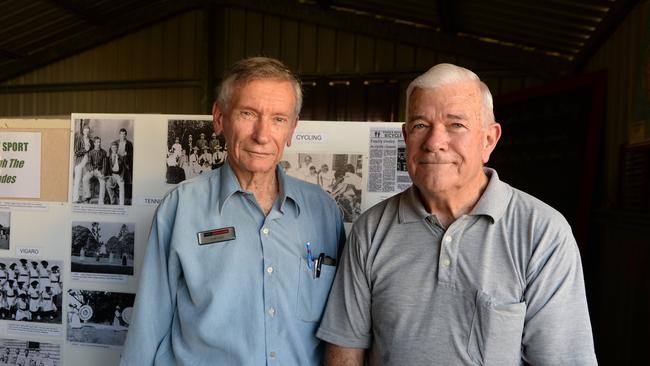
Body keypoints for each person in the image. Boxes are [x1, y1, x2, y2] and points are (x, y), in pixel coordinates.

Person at [317, 63, 597, 365]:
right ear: (405, 136)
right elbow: (345, 352)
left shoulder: (542, 233)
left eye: (456, 125)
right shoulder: (371, 230)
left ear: (489, 139)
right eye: (420, 125)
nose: (435, 142)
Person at [121, 57, 345, 365]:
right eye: (248, 114)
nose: (262, 135)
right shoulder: (181, 207)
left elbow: (344, 330)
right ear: (219, 117)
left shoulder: (323, 211)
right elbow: (148, 325)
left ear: (292, 129)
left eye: (278, 119)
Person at [81, 137, 107, 204]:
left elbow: (104, 165)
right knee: (84, 179)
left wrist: (102, 173)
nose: (98, 143)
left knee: (103, 182)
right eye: (97, 142)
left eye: (99, 142)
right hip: (92, 170)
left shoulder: (104, 152)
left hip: (99, 170)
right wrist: (91, 170)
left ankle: (101, 201)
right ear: (94, 143)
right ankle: (88, 195)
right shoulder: (91, 152)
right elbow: (89, 163)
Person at [72, 122, 92, 203]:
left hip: (87, 163)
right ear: (83, 131)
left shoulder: (91, 141)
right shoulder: (79, 139)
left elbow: (92, 152)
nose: (86, 131)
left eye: (88, 129)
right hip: (80, 162)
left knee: (85, 180)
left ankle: (85, 197)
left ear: (89, 131)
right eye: (85, 129)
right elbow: (76, 152)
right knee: (77, 180)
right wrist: (85, 150)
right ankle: (75, 198)